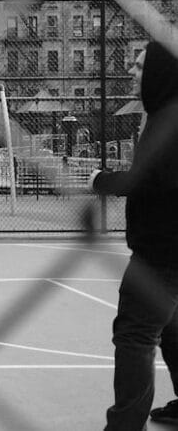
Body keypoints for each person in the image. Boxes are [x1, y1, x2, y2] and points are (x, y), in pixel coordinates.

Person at [90, 40, 178, 431]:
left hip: (161, 253)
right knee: (172, 332)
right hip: (167, 249)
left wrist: (100, 180)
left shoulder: (169, 121)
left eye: (141, 67)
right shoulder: (163, 115)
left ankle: (125, 425)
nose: (132, 72)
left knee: (134, 336)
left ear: (160, 73)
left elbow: (147, 181)